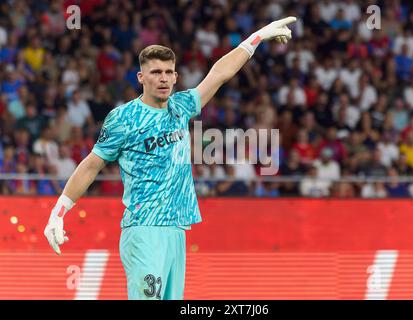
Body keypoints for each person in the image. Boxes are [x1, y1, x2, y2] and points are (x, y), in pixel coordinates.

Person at [43, 17, 297, 300]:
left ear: (176, 76)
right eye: (155, 72)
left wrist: (257, 37)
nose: (163, 78)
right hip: (144, 230)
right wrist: (59, 213)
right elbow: (92, 165)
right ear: (141, 78)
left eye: (168, 72)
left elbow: (219, 74)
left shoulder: (181, 106)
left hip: (176, 230)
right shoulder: (123, 118)